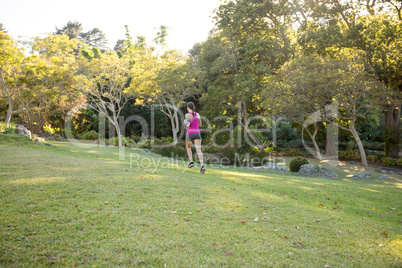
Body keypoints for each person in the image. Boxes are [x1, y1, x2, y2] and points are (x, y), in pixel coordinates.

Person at [184, 102, 205, 174]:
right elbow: (200, 125)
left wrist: (185, 122)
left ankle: (191, 162)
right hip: (197, 133)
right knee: (198, 150)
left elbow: (188, 125)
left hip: (190, 133)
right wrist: (199, 119)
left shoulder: (187, 115)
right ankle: (202, 166)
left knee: (188, 147)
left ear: (188, 108)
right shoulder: (197, 114)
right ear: (194, 107)